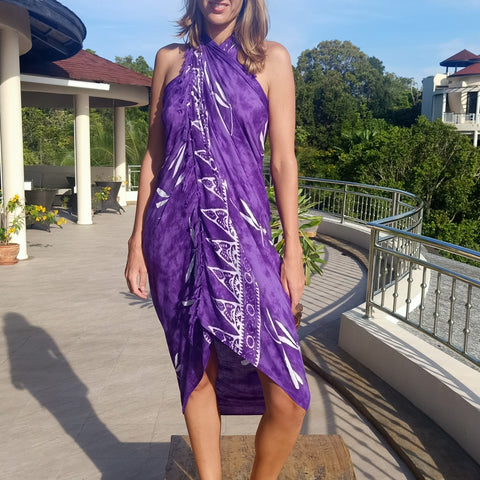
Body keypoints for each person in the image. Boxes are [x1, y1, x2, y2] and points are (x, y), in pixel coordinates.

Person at [125, 0, 311, 478]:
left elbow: (283, 161)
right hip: (175, 234)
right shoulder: (170, 59)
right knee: (196, 364)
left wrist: (292, 250)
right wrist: (136, 241)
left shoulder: (272, 59)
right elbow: (154, 156)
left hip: (245, 237)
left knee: (289, 397)